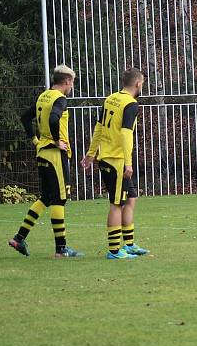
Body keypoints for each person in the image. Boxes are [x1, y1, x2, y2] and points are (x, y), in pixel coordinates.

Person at [9, 65, 84, 258]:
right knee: (60, 199)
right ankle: (61, 249)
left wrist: (35, 140)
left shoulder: (44, 96)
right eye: (72, 82)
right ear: (67, 81)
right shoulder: (60, 98)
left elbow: (25, 118)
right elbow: (53, 118)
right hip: (54, 155)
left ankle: (19, 238)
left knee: (46, 198)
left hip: (42, 153)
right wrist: (58, 140)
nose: (72, 86)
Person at [81, 68, 149, 259]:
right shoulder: (130, 104)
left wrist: (91, 153)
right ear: (138, 84)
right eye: (142, 83)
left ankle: (128, 244)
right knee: (116, 204)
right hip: (116, 160)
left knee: (131, 198)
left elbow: (99, 127)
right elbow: (126, 134)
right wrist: (128, 163)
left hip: (107, 156)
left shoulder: (110, 99)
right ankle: (113, 251)